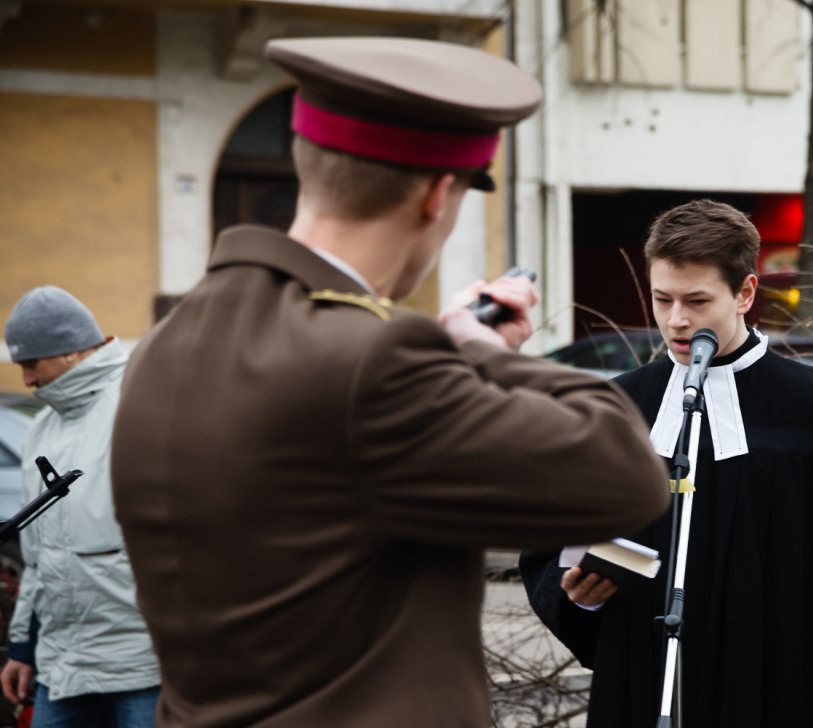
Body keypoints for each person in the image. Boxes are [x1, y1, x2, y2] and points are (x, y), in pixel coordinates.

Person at [109, 36, 669, 728]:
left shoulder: (163, 347)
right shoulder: (376, 358)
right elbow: (626, 476)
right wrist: (479, 350)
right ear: (438, 196)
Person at [520, 200, 813, 727]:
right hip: (648, 675)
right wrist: (578, 595)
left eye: (697, 301)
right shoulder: (615, 408)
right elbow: (553, 544)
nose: (677, 320)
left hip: (788, 684)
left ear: (745, 293)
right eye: (662, 299)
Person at [1, 286, 160, 727]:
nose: (26, 380)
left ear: (70, 352)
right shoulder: (41, 429)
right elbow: (38, 558)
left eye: (31, 364)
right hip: (62, 669)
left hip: (142, 667)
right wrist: (23, 648)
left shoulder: (140, 405)